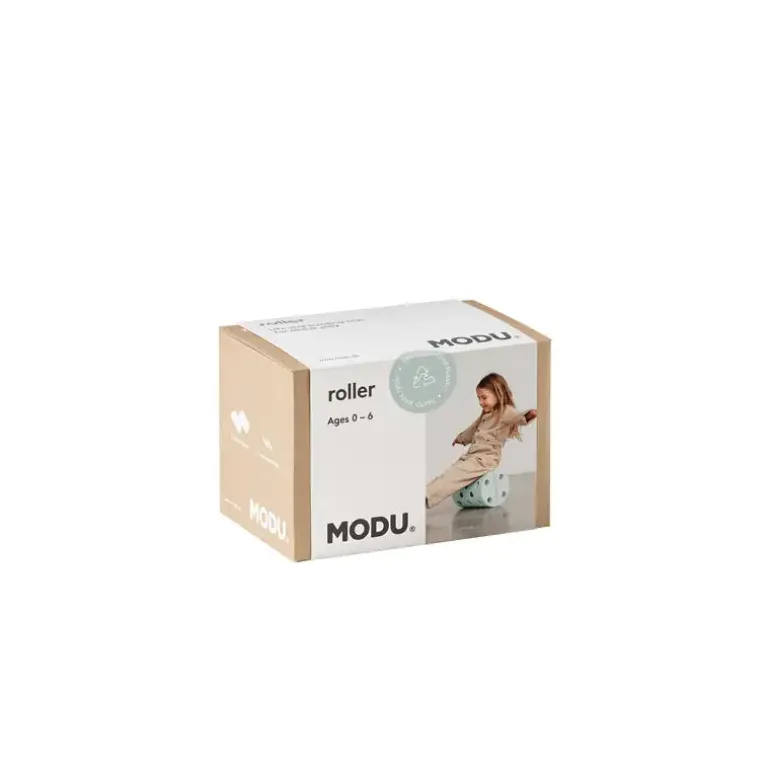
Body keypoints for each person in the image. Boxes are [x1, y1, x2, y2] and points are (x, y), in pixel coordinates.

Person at [425, 372, 536, 509]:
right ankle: (425, 494)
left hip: (486, 458)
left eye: (484, 398)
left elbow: (519, 418)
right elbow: (473, 428)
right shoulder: (486, 414)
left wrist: (529, 415)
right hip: (473, 455)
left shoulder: (505, 411)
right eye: (479, 398)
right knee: (450, 474)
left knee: (454, 476)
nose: (481, 402)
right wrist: (461, 438)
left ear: (498, 394)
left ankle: (424, 498)